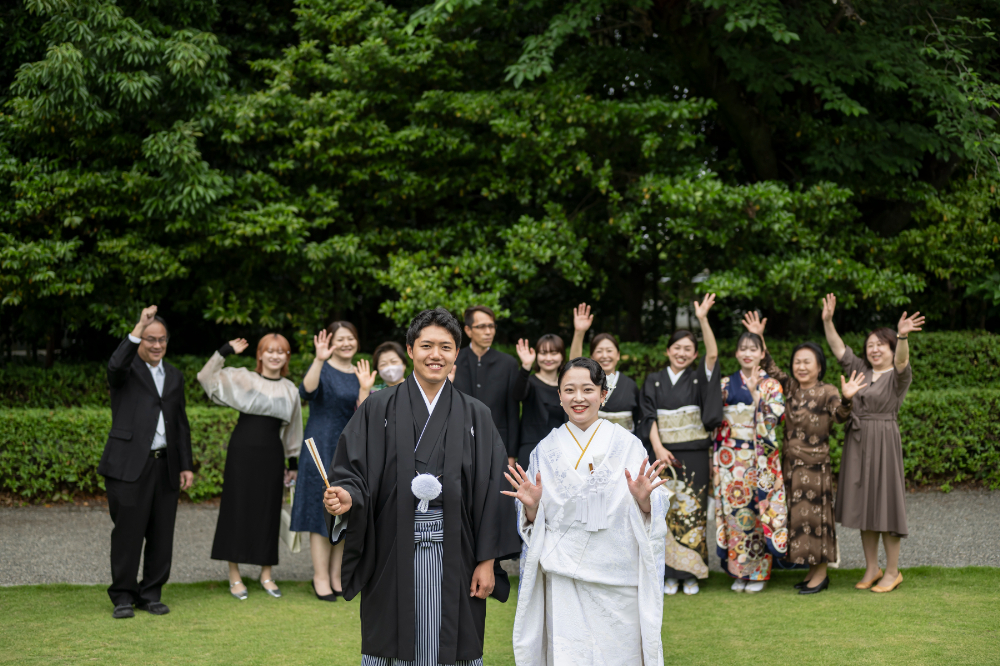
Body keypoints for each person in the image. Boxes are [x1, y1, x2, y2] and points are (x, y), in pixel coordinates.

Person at [322, 308, 520, 666]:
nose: (436, 355)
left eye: (445, 347)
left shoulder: (477, 414)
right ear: (410, 350)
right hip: (391, 547)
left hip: (458, 549)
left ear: (456, 353)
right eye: (426, 345)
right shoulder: (376, 407)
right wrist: (347, 497)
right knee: (391, 638)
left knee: (454, 641)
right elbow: (352, 471)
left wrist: (487, 561)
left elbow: (494, 490)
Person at [507, 357, 671, 666]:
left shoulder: (628, 445)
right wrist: (530, 508)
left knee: (618, 652)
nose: (578, 398)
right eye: (569, 390)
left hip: (616, 572)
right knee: (570, 651)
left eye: (588, 389)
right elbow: (531, 521)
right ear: (559, 395)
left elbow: (654, 508)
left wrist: (644, 501)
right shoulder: (545, 449)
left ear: (603, 394)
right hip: (564, 575)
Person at [743, 312, 866, 594]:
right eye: (797, 361)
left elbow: (840, 416)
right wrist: (758, 336)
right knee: (799, 522)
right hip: (791, 467)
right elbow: (770, 366)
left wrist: (847, 398)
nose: (801, 366)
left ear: (819, 366)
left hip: (815, 467)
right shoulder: (791, 388)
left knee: (816, 521)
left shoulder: (827, 391)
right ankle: (812, 572)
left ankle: (821, 575)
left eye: (807, 362)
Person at [822, 293, 924, 593]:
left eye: (881, 344)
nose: (874, 349)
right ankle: (872, 568)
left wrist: (903, 336)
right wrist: (828, 321)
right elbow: (837, 347)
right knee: (865, 507)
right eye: (870, 345)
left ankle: (893, 572)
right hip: (858, 441)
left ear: (891, 348)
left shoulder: (898, 376)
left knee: (887, 506)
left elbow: (904, 360)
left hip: (884, 440)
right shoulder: (861, 371)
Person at [99, 305, 194, 619]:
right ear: (140, 340)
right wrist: (138, 325)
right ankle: (123, 596)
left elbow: (180, 423)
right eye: (150, 339)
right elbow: (114, 364)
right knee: (127, 533)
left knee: (161, 533)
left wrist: (186, 465)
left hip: (165, 466)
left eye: (162, 339)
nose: (156, 345)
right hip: (127, 467)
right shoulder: (125, 371)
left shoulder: (176, 376)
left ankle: (151, 593)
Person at [197, 334, 303, 600]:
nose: (275, 356)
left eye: (282, 352)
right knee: (237, 507)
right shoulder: (244, 378)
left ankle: (266, 573)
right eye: (270, 351)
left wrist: (293, 464)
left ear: (287, 357)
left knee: (268, 510)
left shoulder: (291, 389)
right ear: (260, 354)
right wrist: (224, 350)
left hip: (272, 454)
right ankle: (234, 574)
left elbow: (293, 430)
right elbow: (205, 377)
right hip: (242, 451)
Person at [638, 294, 722, 596]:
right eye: (677, 348)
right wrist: (657, 448)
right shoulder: (654, 380)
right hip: (663, 452)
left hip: (695, 453)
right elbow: (648, 415)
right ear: (667, 351)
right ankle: (668, 573)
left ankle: (692, 572)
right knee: (665, 512)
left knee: (694, 512)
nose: (682, 353)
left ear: (694, 354)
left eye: (689, 349)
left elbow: (712, 355)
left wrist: (702, 319)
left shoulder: (699, 379)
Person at [292, 321, 376, 601]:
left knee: (344, 510)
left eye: (350, 338)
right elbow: (306, 391)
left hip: (349, 449)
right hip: (320, 448)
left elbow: (366, 415)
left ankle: (337, 574)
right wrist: (318, 359)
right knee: (321, 514)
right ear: (330, 342)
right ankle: (320, 576)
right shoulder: (323, 368)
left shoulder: (360, 372)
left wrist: (365, 387)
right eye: (340, 338)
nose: (346, 343)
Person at [711, 329, 786, 593]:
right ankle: (738, 571)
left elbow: (774, 418)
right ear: (736, 353)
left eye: (753, 349)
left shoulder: (772, 385)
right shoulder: (724, 383)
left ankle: (758, 573)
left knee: (757, 512)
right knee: (734, 516)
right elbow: (714, 420)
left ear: (762, 353)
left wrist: (756, 394)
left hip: (758, 459)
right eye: (742, 348)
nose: (747, 353)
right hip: (730, 461)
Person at [453, 305, 521, 466]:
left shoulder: (508, 363)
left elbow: (513, 410)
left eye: (491, 326)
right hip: (459, 444)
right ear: (468, 331)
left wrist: (511, 454)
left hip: (497, 443)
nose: (488, 332)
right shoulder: (453, 361)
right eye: (482, 327)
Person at [568, 303, 643, 439]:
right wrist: (579, 332)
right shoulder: (585, 381)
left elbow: (638, 420)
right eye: (599, 351)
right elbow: (573, 366)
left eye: (609, 351)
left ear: (618, 355)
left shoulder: (630, 385)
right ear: (591, 356)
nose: (605, 355)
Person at [513, 334, 569, 468]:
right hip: (532, 447)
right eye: (543, 353)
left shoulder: (567, 386)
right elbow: (518, 395)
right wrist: (526, 366)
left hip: (561, 448)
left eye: (554, 353)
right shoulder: (530, 381)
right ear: (537, 356)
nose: (548, 358)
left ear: (562, 356)